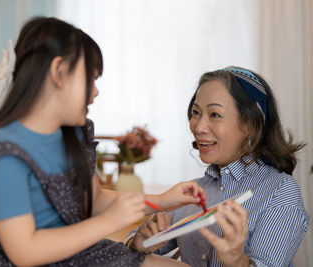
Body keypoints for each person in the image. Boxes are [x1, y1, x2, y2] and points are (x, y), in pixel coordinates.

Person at [0, 17, 206, 267]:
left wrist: (163, 200)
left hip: (79, 253)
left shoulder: (76, 133)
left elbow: (94, 202)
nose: (95, 92)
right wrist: (109, 222)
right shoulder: (3, 155)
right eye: (90, 79)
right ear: (58, 72)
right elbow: (25, 253)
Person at [127, 67, 310, 266]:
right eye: (196, 112)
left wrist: (238, 262)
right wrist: (138, 241)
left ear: (250, 125)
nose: (198, 127)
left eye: (215, 114)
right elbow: (141, 242)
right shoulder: (191, 193)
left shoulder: (281, 190)